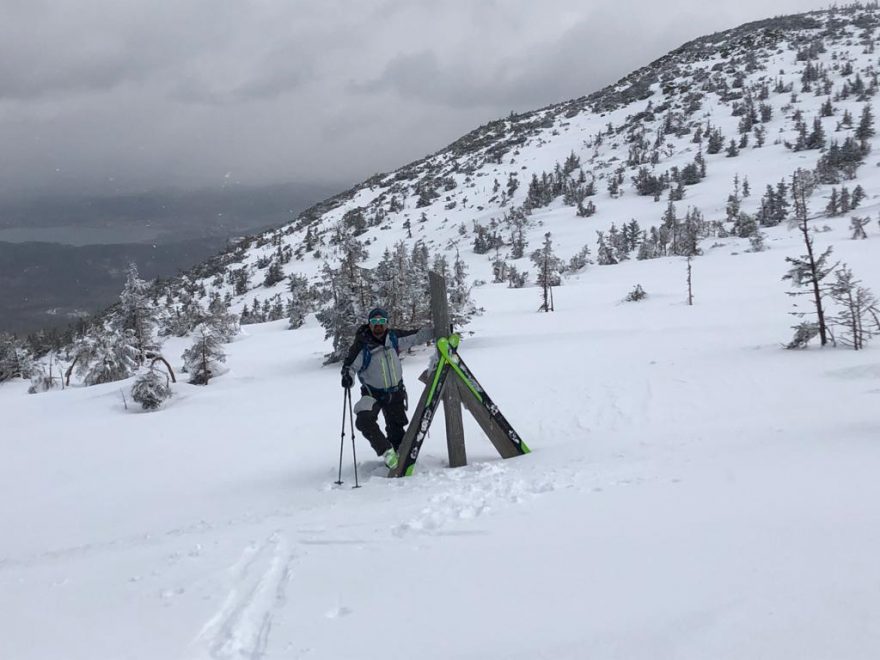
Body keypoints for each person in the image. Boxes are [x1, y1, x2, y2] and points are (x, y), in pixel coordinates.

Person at [341, 308, 432, 469]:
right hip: (372, 393)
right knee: (364, 420)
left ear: (386, 324)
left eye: (381, 322)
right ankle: (386, 451)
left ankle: (400, 458)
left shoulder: (394, 337)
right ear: (369, 324)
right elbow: (350, 365)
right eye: (374, 322)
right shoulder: (362, 344)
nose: (378, 326)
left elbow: (417, 336)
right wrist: (348, 376)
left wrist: (442, 330)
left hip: (395, 392)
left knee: (397, 431)